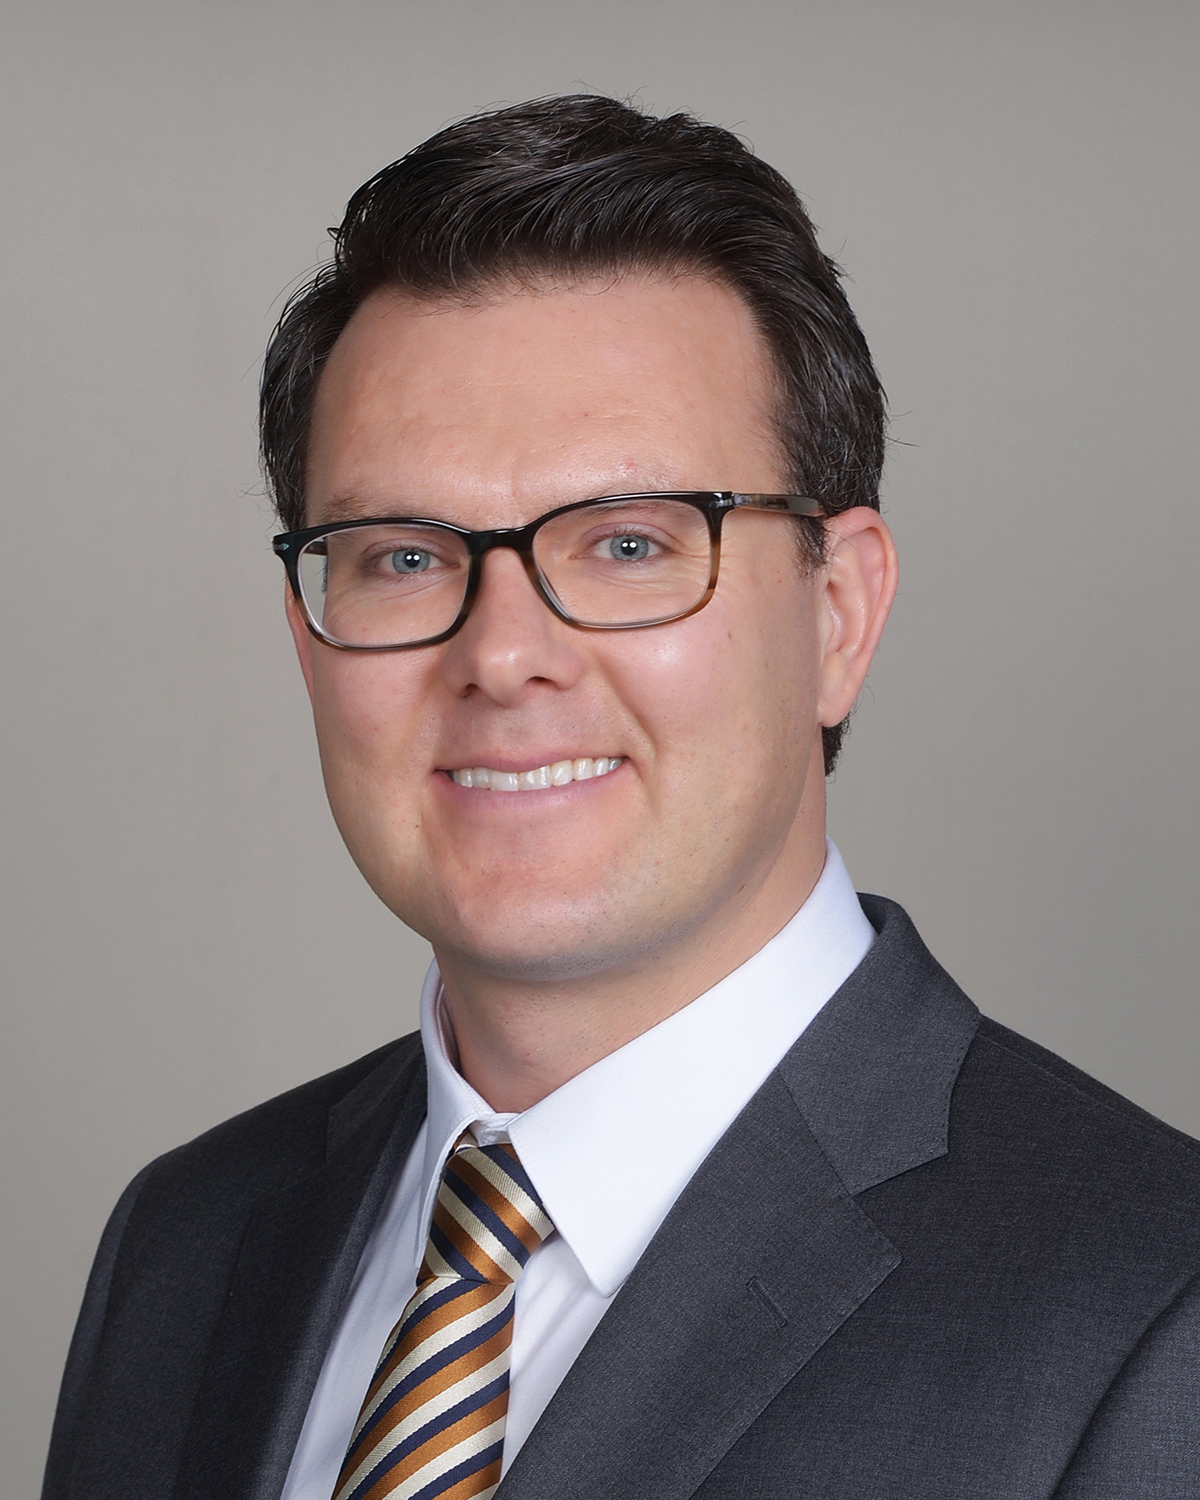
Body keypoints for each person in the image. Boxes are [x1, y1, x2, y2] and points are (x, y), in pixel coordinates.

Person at [43, 95, 1200, 1500]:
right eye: (403, 557)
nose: (503, 655)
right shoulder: (187, 1245)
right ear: (309, 639)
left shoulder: (1155, 1318)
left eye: (631, 543)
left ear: (838, 613)